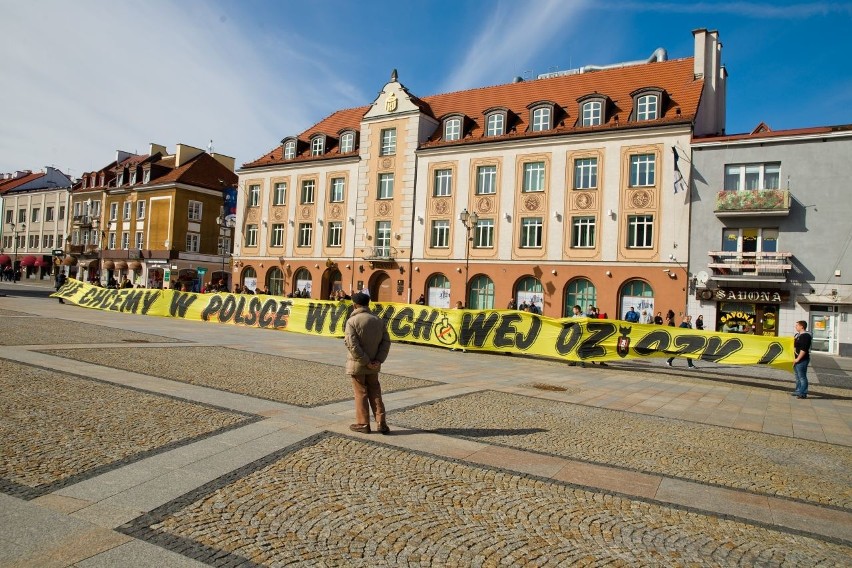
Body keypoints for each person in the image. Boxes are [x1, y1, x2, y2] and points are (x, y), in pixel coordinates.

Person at [345, 292, 392, 434]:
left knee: (361, 393)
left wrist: (365, 361)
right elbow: (386, 342)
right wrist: (377, 360)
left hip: (358, 364)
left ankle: (363, 423)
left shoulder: (352, 321)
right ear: (368, 304)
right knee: (375, 391)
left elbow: (352, 344)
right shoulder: (378, 320)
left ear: (354, 305)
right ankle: (381, 422)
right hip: (374, 364)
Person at [793, 320, 812, 399]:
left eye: (797, 325)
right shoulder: (797, 335)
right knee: (797, 376)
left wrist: (798, 359)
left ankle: (803, 393)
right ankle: (798, 391)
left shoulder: (805, 336)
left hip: (802, 360)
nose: (795, 327)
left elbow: (803, 349)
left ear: (802, 327)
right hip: (796, 359)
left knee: (802, 377)